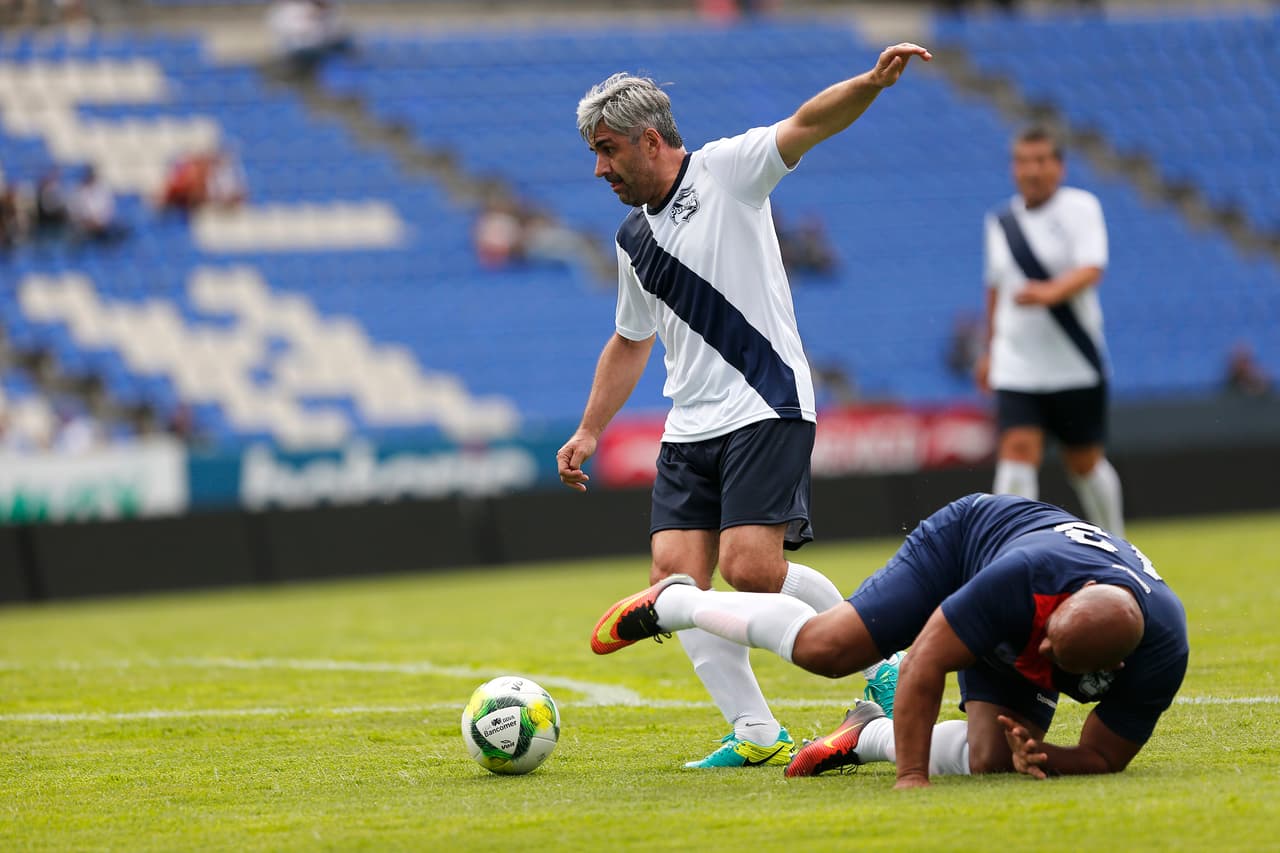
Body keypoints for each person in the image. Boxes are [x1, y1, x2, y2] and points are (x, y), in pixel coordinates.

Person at [558, 43, 932, 768]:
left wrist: (870, 82)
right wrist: (590, 428)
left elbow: (806, 124)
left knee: (751, 569)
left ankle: (882, 661)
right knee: (672, 585)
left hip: (765, 405)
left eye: (607, 151)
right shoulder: (633, 237)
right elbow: (630, 340)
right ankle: (755, 730)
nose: (599, 168)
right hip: (689, 422)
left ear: (651, 141)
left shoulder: (727, 170)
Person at [592, 493, 1188, 788]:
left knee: (992, 759)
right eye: (1045, 644)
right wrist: (910, 778)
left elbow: (1106, 757)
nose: (1040, 662)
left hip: (1024, 592)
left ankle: (864, 734)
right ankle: (678, 602)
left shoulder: (1163, 649)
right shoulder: (1021, 580)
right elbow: (926, 659)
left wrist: (1045, 759)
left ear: (1117, 663)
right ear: (1056, 609)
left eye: (1056, 664)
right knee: (830, 650)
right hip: (967, 545)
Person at [974, 126, 1125, 536]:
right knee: (1017, 452)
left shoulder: (1081, 208)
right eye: (1023, 161)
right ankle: (1008, 548)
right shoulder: (1000, 222)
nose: (1032, 170)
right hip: (1018, 362)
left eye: (1041, 160)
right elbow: (995, 289)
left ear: (1059, 166)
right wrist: (990, 350)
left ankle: (1117, 545)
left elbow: (1092, 268)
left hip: (1073, 359)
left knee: (1084, 462)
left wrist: (1049, 293)